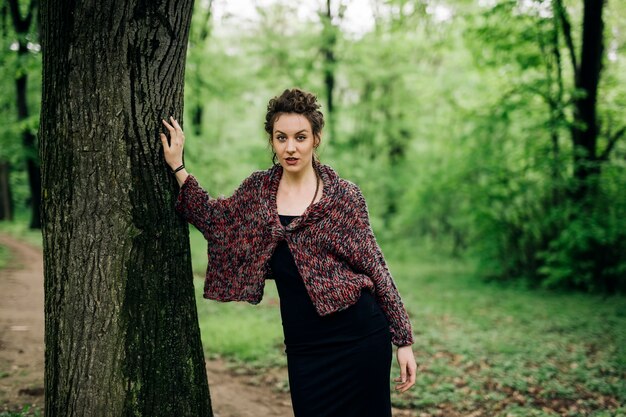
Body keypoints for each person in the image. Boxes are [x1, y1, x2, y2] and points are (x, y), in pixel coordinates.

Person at [160, 88, 417, 416]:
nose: (291, 147)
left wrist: (403, 340)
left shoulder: (344, 198)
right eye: (281, 138)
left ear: (316, 139)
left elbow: (376, 267)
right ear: (272, 141)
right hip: (305, 347)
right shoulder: (257, 192)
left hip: (361, 338)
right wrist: (178, 167)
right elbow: (216, 222)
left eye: (300, 137)